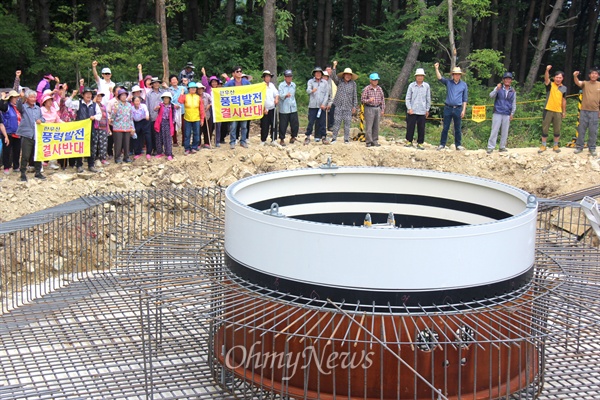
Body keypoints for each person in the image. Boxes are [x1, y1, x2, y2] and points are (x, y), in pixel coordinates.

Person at [65, 87, 102, 172]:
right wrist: (72, 95)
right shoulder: (78, 103)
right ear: (83, 95)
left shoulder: (94, 105)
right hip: (80, 130)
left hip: (90, 129)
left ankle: (91, 165)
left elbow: (99, 115)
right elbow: (67, 104)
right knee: (79, 147)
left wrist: (94, 117)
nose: (89, 95)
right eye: (87, 93)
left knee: (91, 147)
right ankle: (79, 165)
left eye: (90, 94)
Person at [434, 63, 468, 150]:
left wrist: (463, 110)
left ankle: (458, 145)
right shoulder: (449, 82)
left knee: (458, 128)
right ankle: (442, 144)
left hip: (458, 108)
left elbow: (465, 99)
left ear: (460, 75)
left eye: (458, 74)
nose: (457, 76)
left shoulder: (464, 85)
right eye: (455, 74)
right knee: (445, 127)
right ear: (453, 75)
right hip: (448, 107)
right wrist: (436, 69)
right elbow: (440, 78)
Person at [16, 90, 45, 181]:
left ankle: (38, 172)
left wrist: (41, 120)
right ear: (27, 98)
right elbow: (18, 106)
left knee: (37, 154)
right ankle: (23, 173)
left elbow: (43, 118)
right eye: (31, 97)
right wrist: (21, 97)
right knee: (25, 155)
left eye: (34, 97)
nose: (33, 99)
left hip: (36, 135)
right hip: (26, 134)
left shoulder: (37, 108)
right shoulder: (24, 107)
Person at [486, 72, 517, 154]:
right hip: (498, 112)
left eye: (509, 79)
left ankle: (502, 147)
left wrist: (512, 113)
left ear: (511, 80)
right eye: (506, 79)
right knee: (494, 130)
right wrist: (496, 89)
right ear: (503, 80)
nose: (507, 80)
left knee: (505, 131)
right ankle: (490, 147)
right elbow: (491, 95)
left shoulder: (513, 91)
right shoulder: (499, 88)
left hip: (507, 113)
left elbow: (514, 103)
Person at [539, 65, 567, 153]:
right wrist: (547, 70)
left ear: (562, 78)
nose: (558, 79)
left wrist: (564, 111)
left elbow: (564, 100)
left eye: (560, 77)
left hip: (558, 111)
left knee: (557, 129)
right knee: (545, 128)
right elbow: (546, 79)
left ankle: (555, 145)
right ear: (554, 78)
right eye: (557, 77)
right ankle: (543, 145)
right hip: (548, 109)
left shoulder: (564, 88)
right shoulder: (550, 85)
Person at [573, 68, 599, 157]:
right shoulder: (585, 83)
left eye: (596, 74)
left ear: (598, 76)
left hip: (595, 111)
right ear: (589, 75)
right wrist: (575, 76)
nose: (594, 75)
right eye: (592, 73)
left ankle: (592, 148)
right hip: (584, 111)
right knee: (581, 129)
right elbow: (578, 83)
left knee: (593, 131)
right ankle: (579, 147)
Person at [224, 66, 251, 149]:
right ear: (233, 73)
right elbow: (223, 93)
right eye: (237, 71)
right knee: (233, 126)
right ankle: (232, 141)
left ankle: (243, 141)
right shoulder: (229, 83)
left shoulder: (246, 82)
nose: (239, 73)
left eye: (240, 71)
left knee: (244, 126)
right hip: (233, 108)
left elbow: (253, 90)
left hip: (243, 108)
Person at [405, 68, 431, 150]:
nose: (420, 77)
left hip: (422, 110)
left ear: (423, 77)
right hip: (412, 110)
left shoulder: (426, 86)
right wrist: (409, 108)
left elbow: (428, 98)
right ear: (415, 77)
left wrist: (427, 109)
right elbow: (407, 98)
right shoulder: (411, 85)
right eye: (418, 76)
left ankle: (420, 143)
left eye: (421, 76)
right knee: (410, 126)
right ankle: (409, 141)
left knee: (421, 128)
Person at [331, 67, 358, 144]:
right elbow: (333, 77)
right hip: (338, 105)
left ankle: (346, 139)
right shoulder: (339, 81)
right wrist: (334, 68)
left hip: (348, 106)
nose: (348, 76)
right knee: (336, 123)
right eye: (346, 74)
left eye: (349, 75)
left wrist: (354, 106)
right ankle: (334, 138)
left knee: (347, 124)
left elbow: (354, 95)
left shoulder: (353, 84)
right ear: (344, 75)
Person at [304, 67, 330, 144]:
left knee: (322, 122)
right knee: (311, 122)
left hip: (321, 106)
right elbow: (307, 90)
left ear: (321, 74)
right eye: (316, 73)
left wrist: (324, 104)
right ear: (314, 74)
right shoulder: (311, 81)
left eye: (319, 73)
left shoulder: (325, 82)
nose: (318, 74)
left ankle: (323, 137)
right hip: (312, 106)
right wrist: (312, 90)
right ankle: (308, 136)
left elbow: (326, 94)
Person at [178, 82, 205, 154]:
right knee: (187, 134)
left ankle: (194, 147)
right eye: (191, 88)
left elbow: (201, 109)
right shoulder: (185, 96)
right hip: (187, 118)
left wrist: (202, 119)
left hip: (196, 118)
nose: (193, 89)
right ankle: (187, 148)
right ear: (189, 89)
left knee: (196, 134)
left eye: (194, 88)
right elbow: (180, 101)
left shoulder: (198, 98)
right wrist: (182, 93)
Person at [0, 87, 22, 174]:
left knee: (17, 150)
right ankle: (6, 167)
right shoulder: (6, 107)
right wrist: (2, 97)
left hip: (17, 131)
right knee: (7, 151)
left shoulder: (17, 107)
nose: (16, 99)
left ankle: (16, 166)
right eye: (15, 97)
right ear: (11, 98)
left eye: (17, 97)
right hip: (8, 131)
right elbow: (0, 106)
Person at [109, 88, 134, 163]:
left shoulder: (129, 105)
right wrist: (114, 112)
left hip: (127, 126)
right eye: (122, 95)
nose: (123, 97)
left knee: (127, 143)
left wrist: (132, 127)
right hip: (118, 126)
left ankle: (126, 157)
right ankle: (117, 158)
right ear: (119, 96)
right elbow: (112, 116)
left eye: (125, 95)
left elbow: (131, 117)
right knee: (118, 144)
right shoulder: (116, 104)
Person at [361, 72, 386, 147]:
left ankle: (375, 140)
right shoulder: (367, 89)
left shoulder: (379, 89)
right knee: (369, 125)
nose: (375, 81)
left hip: (377, 108)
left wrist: (382, 109)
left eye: (376, 80)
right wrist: (369, 100)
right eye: (374, 80)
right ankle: (368, 141)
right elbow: (362, 100)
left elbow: (382, 99)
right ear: (370, 80)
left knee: (376, 125)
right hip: (369, 108)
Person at [278, 70, 299, 146]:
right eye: (287, 76)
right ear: (285, 77)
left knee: (295, 123)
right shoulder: (281, 85)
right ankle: (282, 139)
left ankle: (293, 136)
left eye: (290, 76)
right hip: (284, 108)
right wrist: (285, 95)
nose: (289, 78)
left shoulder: (293, 85)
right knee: (283, 124)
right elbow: (280, 95)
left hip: (293, 107)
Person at [146, 77, 166, 159]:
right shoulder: (149, 94)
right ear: (152, 84)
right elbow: (147, 105)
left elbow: (172, 96)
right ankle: (155, 148)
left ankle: (161, 148)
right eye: (154, 83)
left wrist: (166, 87)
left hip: (163, 116)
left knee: (162, 133)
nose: (156, 84)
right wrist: (148, 115)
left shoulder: (163, 92)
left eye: (158, 83)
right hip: (153, 116)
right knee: (154, 134)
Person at [154, 92, 176, 160]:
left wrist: (172, 123)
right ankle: (159, 152)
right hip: (160, 122)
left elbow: (174, 115)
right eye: (164, 98)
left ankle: (169, 153)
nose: (166, 100)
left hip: (168, 123)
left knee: (168, 139)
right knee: (159, 138)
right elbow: (155, 110)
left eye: (167, 98)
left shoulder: (172, 106)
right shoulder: (160, 105)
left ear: (169, 99)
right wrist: (156, 108)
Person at [260, 70, 279, 145]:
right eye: (266, 76)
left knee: (274, 124)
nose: (268, 78)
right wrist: (264, 108)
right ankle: (263, 140)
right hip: (265, 108)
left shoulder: (271, 85)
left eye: (269, 77)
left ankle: (274, 139)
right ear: (264, 78)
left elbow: (276, 93)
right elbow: (260, 98)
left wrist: (276, 99)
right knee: (264, 125)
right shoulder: (261, 86)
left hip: (272, 107)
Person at [92, 91, 110, 167]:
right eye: (98, 96)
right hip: (95, 127)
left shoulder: (103, 106)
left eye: (100, 96)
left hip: (103, 127)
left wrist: (108, 128)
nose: (99, 98)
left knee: (103, 144)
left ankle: (103, 158)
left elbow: (106, 118)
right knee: (94, 144)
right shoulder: (93, 106)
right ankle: (92, 160)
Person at [167, 75, 185, 147]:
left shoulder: (182, 88)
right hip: (173, 110)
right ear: (170, 82)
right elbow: (167, 100)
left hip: (182, 110)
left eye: (175, 79)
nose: (174, 81)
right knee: (173, 126)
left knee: (184, 126)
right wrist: (174, 105)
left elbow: (187, 93)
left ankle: (184, 141)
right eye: (172, 80)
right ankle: (175, 141)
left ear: (177, 81)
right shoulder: (169, 90)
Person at [325, 61, 338, 132]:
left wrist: (334, 66)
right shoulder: (323, 78)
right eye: (327, 70)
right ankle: (324, 126)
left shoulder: (331, 78)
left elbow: (334, 75)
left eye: (330, 70)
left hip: (332, 98)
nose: (328, 72)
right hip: (324, 98)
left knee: (331, 113)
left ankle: (330, 126)